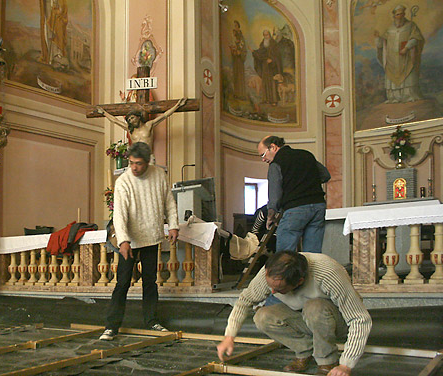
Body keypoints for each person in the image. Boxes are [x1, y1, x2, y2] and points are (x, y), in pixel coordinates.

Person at [217, 251, 372, 376]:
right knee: (262, 316)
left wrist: (346, 365)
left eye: (278, 289)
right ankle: (305, 351)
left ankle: (326, 361)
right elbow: (245, 301)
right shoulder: (270, 273)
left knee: (314, 307)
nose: (271, 292)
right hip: (304, 316)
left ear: (299, 282)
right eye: (270, 286)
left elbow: (359, 319)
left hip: (336, 321)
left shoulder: (327, 273)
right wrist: (229, 337)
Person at [99, 142, 179, 341]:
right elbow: (119, 215)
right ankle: (111, 326)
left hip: (151, 236)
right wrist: (123, 240)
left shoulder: (159, 175)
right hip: (130, 241)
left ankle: (151, 321)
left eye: (139, 164)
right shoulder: (124, 181)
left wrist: (174, 225)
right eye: (132, 163)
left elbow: (169, 201)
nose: (134, 167)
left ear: (148, 162)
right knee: (123, 283)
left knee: (150, 282)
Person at [258, 136, 330, 253]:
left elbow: (275, 194)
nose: (263, 159)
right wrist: (307, 182)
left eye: (263, 154)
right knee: (313, 254)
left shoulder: (276, 164)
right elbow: (325, 175)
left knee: (285, 255)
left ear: (273, 147)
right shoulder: (306, 155)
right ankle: (311, 272)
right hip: (318, 206)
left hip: (295, 209)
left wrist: (270, 216)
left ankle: (285, 272)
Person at [374, 5, 424, 103]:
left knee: (408, 75)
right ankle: (394, 98)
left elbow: (417, 38)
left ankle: (409, 96)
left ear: (404, 14)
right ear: (394, 16)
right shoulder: (389, 29)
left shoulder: (411, 26)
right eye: (397, 14)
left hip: (406, 57)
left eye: (401, 14)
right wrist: (377, 38)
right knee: (392, 76)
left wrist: (407, 47)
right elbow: (383, 43)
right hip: (392, 59)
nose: (400, 16)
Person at [96, 97, 187, 149]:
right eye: (129, 120)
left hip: (148, 158)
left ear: (138, 117)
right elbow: (115, 120)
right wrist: (104, 113)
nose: (131, 121)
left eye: (132, 118)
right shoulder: (130, 129)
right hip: (136, 159)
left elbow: (164, 115)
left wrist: (178, 105)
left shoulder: (149, 125)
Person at [252, 30, 281, 106]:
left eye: (267, 35)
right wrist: (254, 52)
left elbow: (277, 55)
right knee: (265, 82)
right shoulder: (263, 43)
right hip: (264, 66)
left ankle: (274, 100)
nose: (266, 36)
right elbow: (260, 53)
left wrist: (272, 59)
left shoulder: (274, 44)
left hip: (272, 67)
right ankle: (266, 99)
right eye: (264, 35)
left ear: (269, 35)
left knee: (272, 83)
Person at [230, 20, 247, 99]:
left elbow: (243, 47)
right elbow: (233, 45)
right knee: (236, 76)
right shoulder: (234, 36)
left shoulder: (241, 36)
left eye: (236, 26)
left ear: (238, 27)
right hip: (235, 59)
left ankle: (241, 94)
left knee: (240, 76)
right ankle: (236, 93)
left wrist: (240, 52)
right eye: (234, 26)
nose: (235, 28)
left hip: (239, 60)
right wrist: (233, 50)